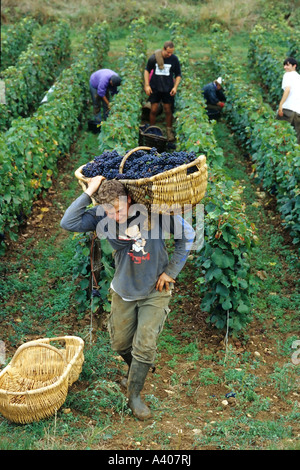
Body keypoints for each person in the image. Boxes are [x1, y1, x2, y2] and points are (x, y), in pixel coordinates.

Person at [60, 176, 195, 420]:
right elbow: (68, 221)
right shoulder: (101, 216)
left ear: (129, 199)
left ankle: (134, 395)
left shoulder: (155, 212)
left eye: (119, 209)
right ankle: (137, 369)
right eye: (108, 211)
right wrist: (90, 191)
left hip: (156, 289)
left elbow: (188, 235)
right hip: (123, 287)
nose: (114, 215)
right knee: (121, 344)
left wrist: (171, 271)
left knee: (144, 345)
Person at [144, 41, 181, 142]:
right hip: (155, 88)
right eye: (168, 52)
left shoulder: (174, 59)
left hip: (167, 89)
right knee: (154, 110)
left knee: (168, 110)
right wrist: (147, 85)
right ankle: (152, 130)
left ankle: (169, 132)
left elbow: (178, 75)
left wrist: (175, 87)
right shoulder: (154, 58)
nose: (170, 55)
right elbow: (147, 70)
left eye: (171, 52)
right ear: (164, 49)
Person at [277, 57, 300, 144]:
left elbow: (287, 90)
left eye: (287, 65)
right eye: (284, 65)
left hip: (288, 109)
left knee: (280, 135)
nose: (285, 67)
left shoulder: (287, 75)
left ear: (294, 66)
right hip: (298, 112)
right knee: (296, 140)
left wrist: (281, 105)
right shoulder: (299, 77)